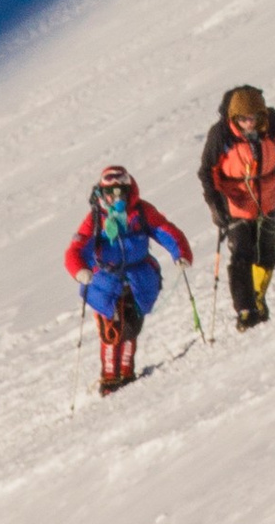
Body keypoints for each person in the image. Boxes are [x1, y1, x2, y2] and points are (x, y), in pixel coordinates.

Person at [64, 165, 193, 394]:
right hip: (105, 282)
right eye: (110, 192)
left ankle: (126, 371)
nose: (115, 197)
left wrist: (180, 252)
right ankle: (110, 377)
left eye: (120, 191)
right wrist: (80, 270)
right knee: (110, 332)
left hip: (138, 278)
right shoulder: (96, 218)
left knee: (131, 327)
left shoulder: (141, 211)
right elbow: (76, 248)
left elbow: (165, 230)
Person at [197, 86, 275, 331]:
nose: (250, 123)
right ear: (235, 117)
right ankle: (246, 310)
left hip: (268, 197)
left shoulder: (271, 122)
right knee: (241, 256)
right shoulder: (221, 134)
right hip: (235, 204)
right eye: (245, 119)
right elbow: (207, 172)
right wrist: (216, 207)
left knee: (266, 253)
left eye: (254, 117)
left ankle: (258, 298)